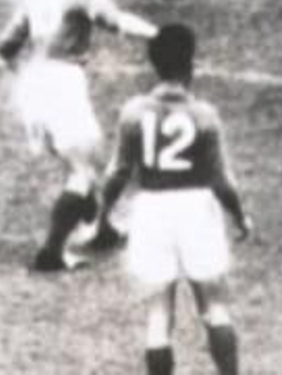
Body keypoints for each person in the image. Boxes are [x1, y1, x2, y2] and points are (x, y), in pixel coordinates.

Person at [0, 0, 159, 272]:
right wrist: (156, 34)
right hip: (62, 81)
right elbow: (116, 22)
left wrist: (22, 76)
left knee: (89, 159)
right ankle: (52, 252)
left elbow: (6, 45)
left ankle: (104, 229)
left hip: (33, 82)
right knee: (83, 170)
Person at [99, 23, 251, 375]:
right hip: (197, 208)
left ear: (153, 64)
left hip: (152, 209)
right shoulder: (203, 115)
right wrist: (240, 217)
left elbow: (117, 173)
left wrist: (103, 213)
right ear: (191, 63)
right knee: (214, 304)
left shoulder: (134, 111)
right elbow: (221, 181)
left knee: (157, 313)